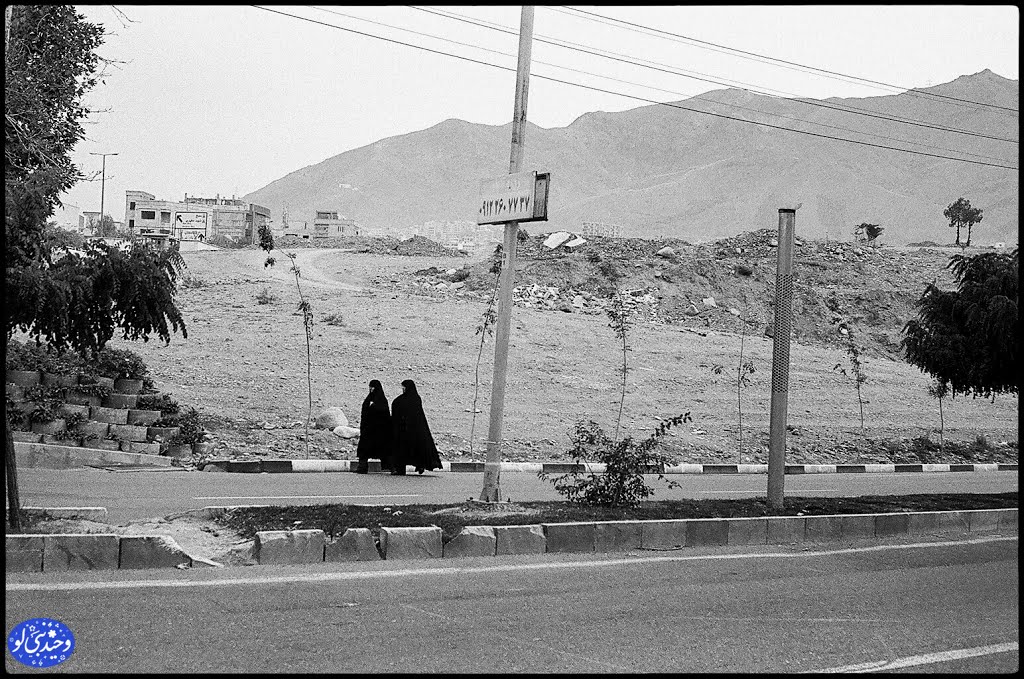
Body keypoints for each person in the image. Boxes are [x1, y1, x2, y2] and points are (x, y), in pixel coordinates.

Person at [390, 379, 442, 475]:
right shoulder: (415, 398)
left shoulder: (403, 400)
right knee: (417, 448)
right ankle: (420, 465)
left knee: (403, 449)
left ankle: (402, 469)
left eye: (403, 387)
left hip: (404, 430)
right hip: (416, 430)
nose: (402, 389)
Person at [355, 380, 392, 474]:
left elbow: (385, 415)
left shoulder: (382, 401)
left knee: (383, 448)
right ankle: (362, 467)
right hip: (368, 430)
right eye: (370, 387)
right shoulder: (368, 399)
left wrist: (373, 408)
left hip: (380, 430)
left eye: (373, 387)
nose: (371, 389)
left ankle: (387, 466)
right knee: (364, 449)